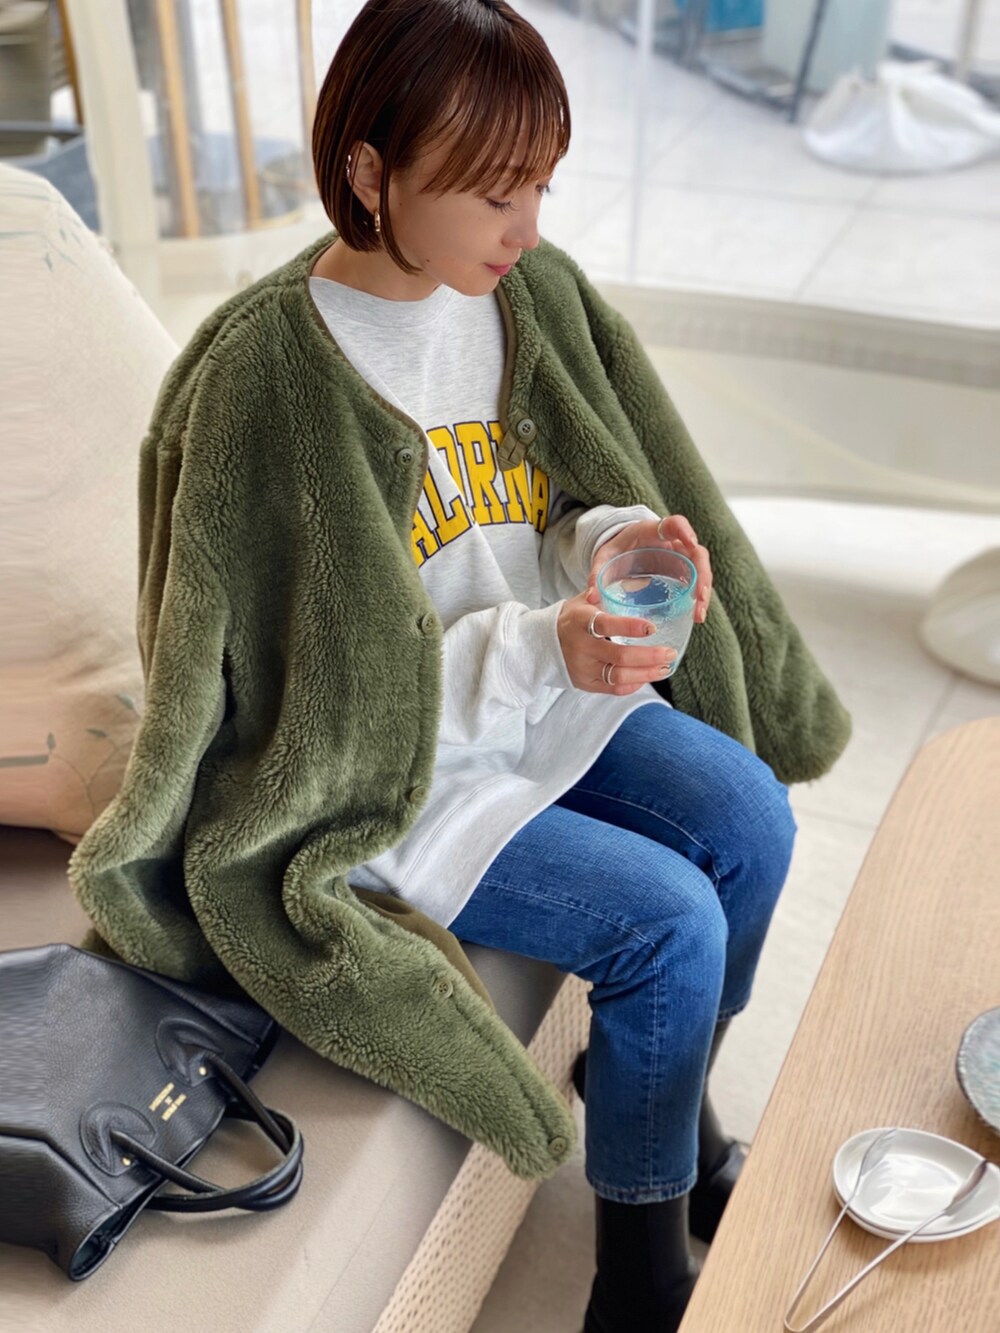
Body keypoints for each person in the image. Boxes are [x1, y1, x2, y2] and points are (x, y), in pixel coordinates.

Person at [68, 2, 850, 1330]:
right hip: (393, 782)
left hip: (543, 703)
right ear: (370, 172)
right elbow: (329, 701)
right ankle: (639, 1278)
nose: (527, 228)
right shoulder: (272, 380)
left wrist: (614, 544)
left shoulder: (513, 297)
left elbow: (554, 499)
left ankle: (664, 1101)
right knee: (669, 919)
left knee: (753, 820)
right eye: (495, 193)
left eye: (542, 185)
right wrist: (548, 642)